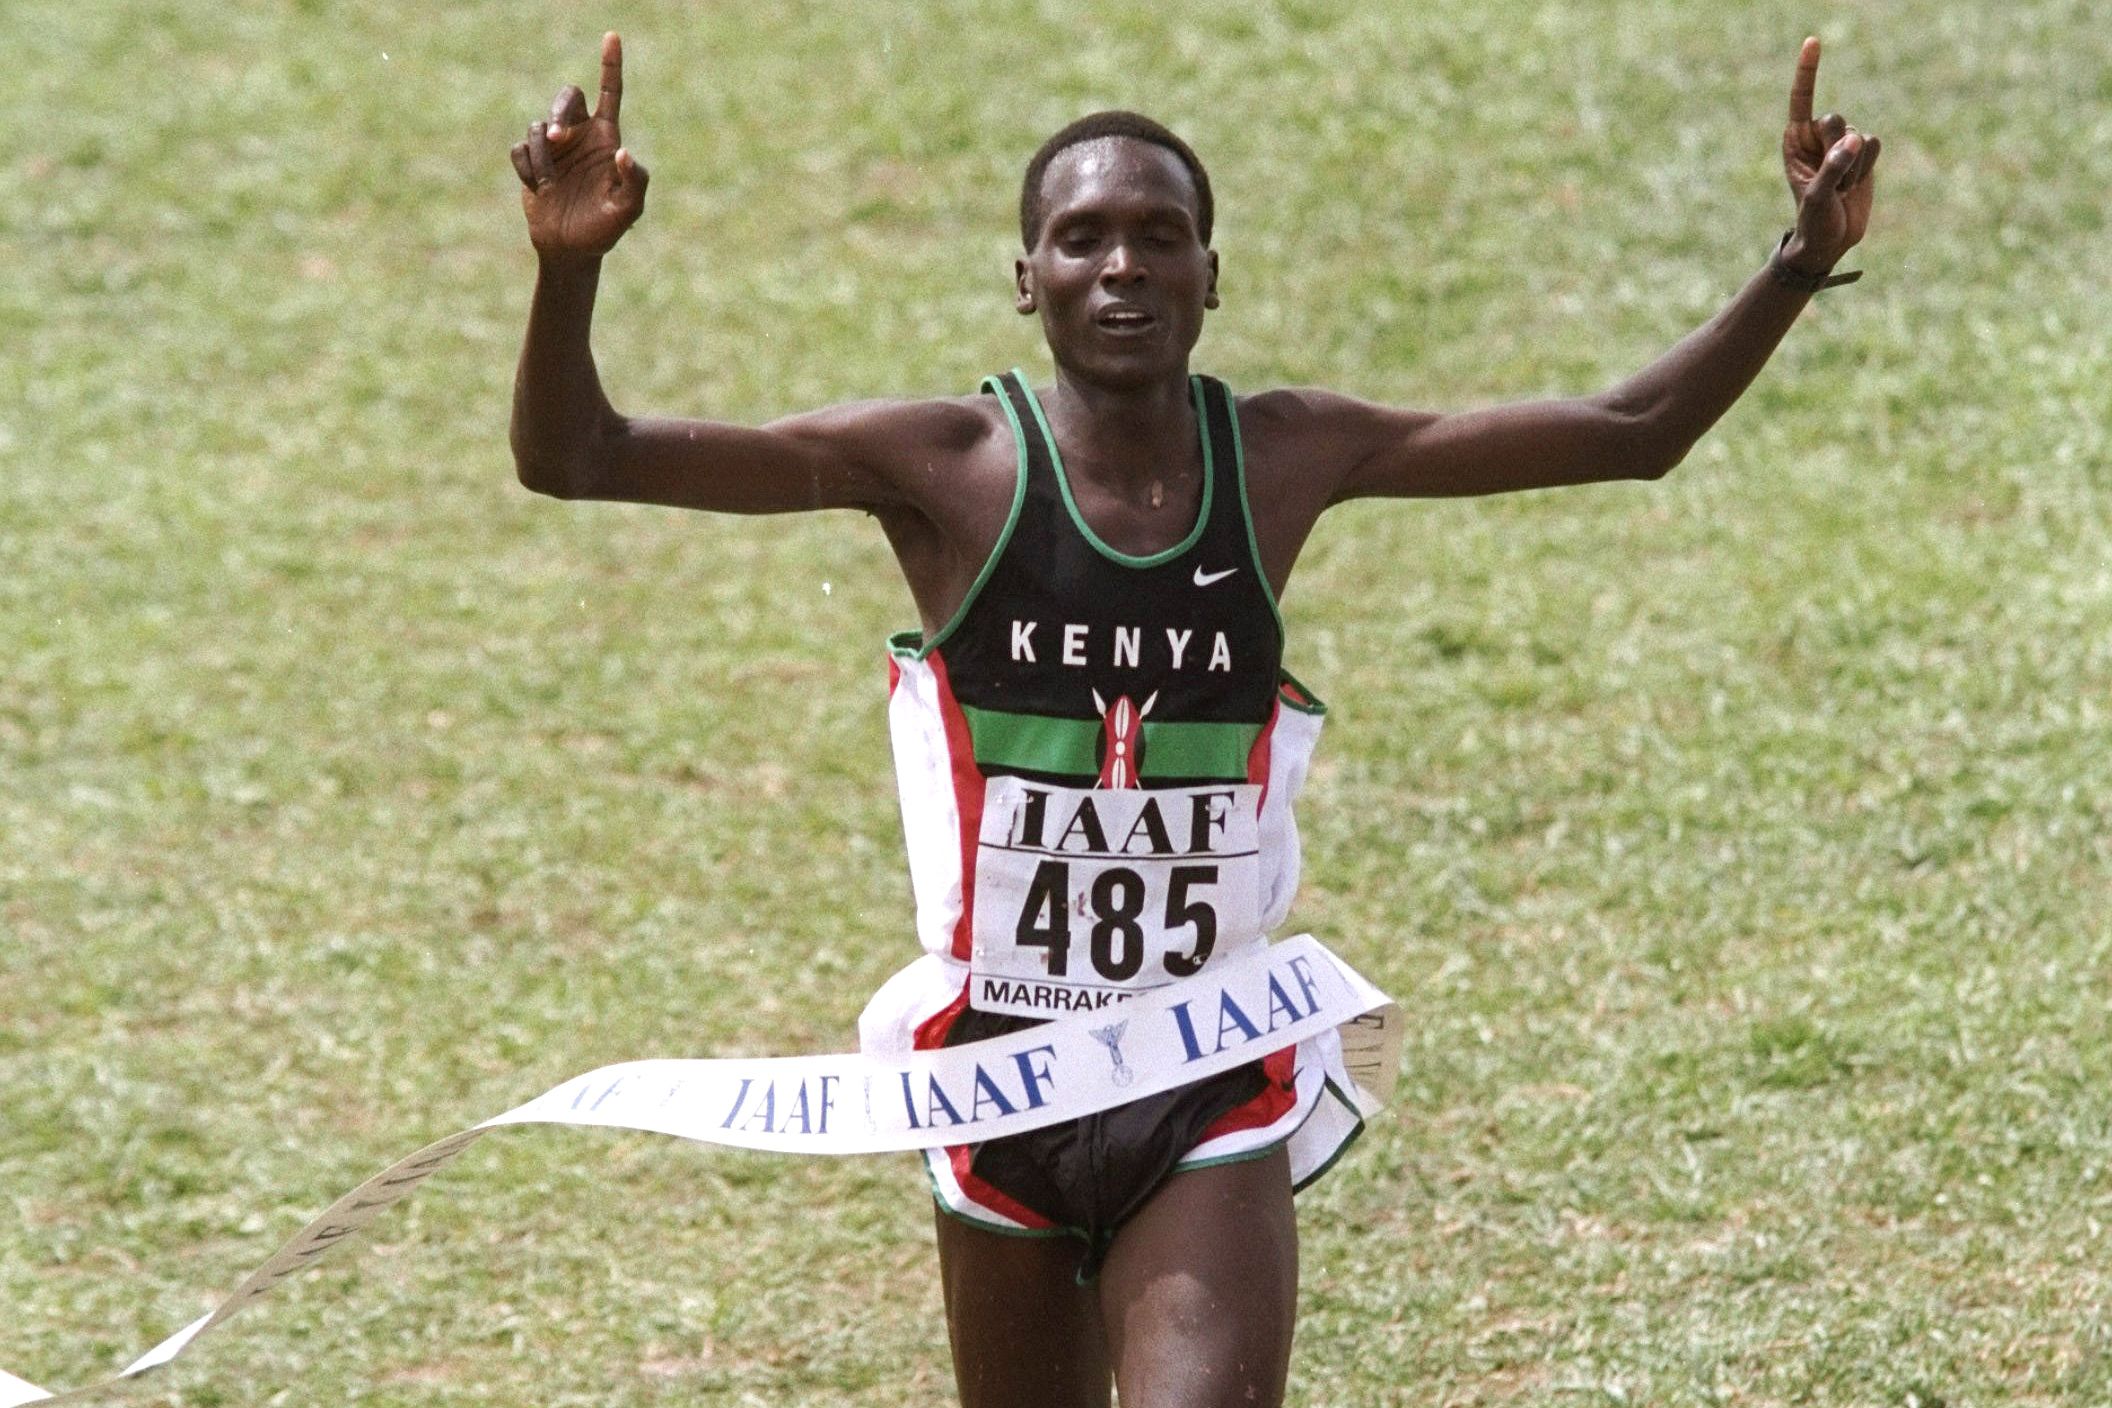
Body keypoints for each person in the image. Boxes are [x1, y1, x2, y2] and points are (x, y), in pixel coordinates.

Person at [508, 32, 1879, 1408]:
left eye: (1160, 238)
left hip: (1205, 1065)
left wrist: (1798, 263)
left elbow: (1632, 428)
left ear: (1211, 277)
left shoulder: (1282, 457)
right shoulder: (942, 467)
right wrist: (569, 269)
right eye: (1082, 239)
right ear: (1027, 277)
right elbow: (577, 458)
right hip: (999, 1077)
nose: (1123, 266)